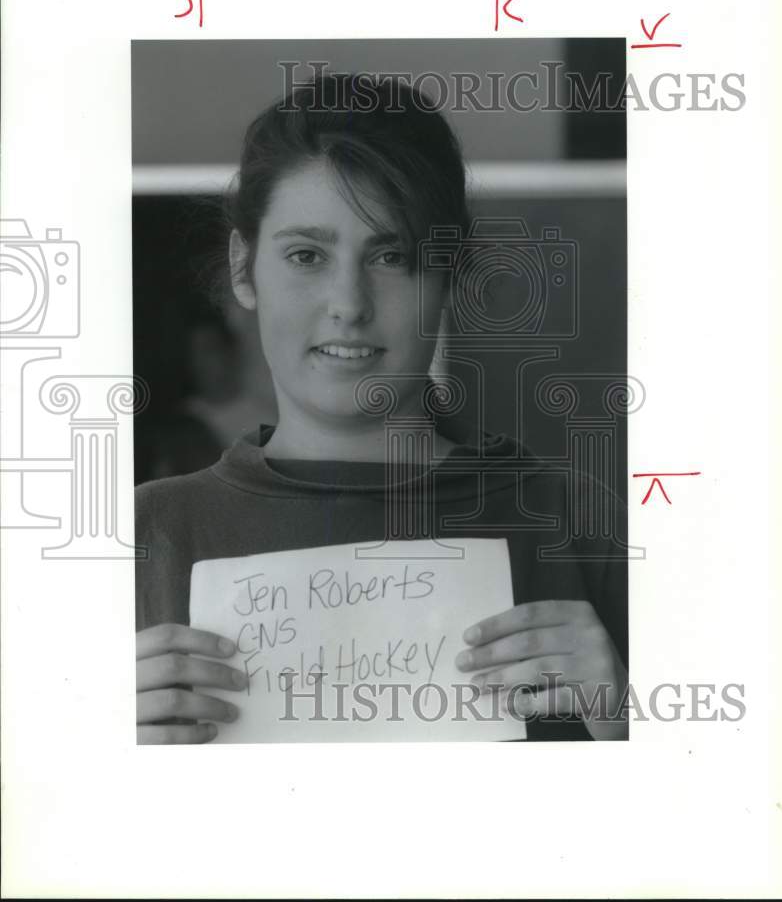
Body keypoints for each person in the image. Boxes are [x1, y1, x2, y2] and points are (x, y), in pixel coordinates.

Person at [135, 71, 628, 744]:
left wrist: (630, 722)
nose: (349, 303)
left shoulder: (580, 524)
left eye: (392, 255)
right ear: (244, 267)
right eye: (306, 255)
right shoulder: (141, 537)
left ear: (449, 274)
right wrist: (93, 757)